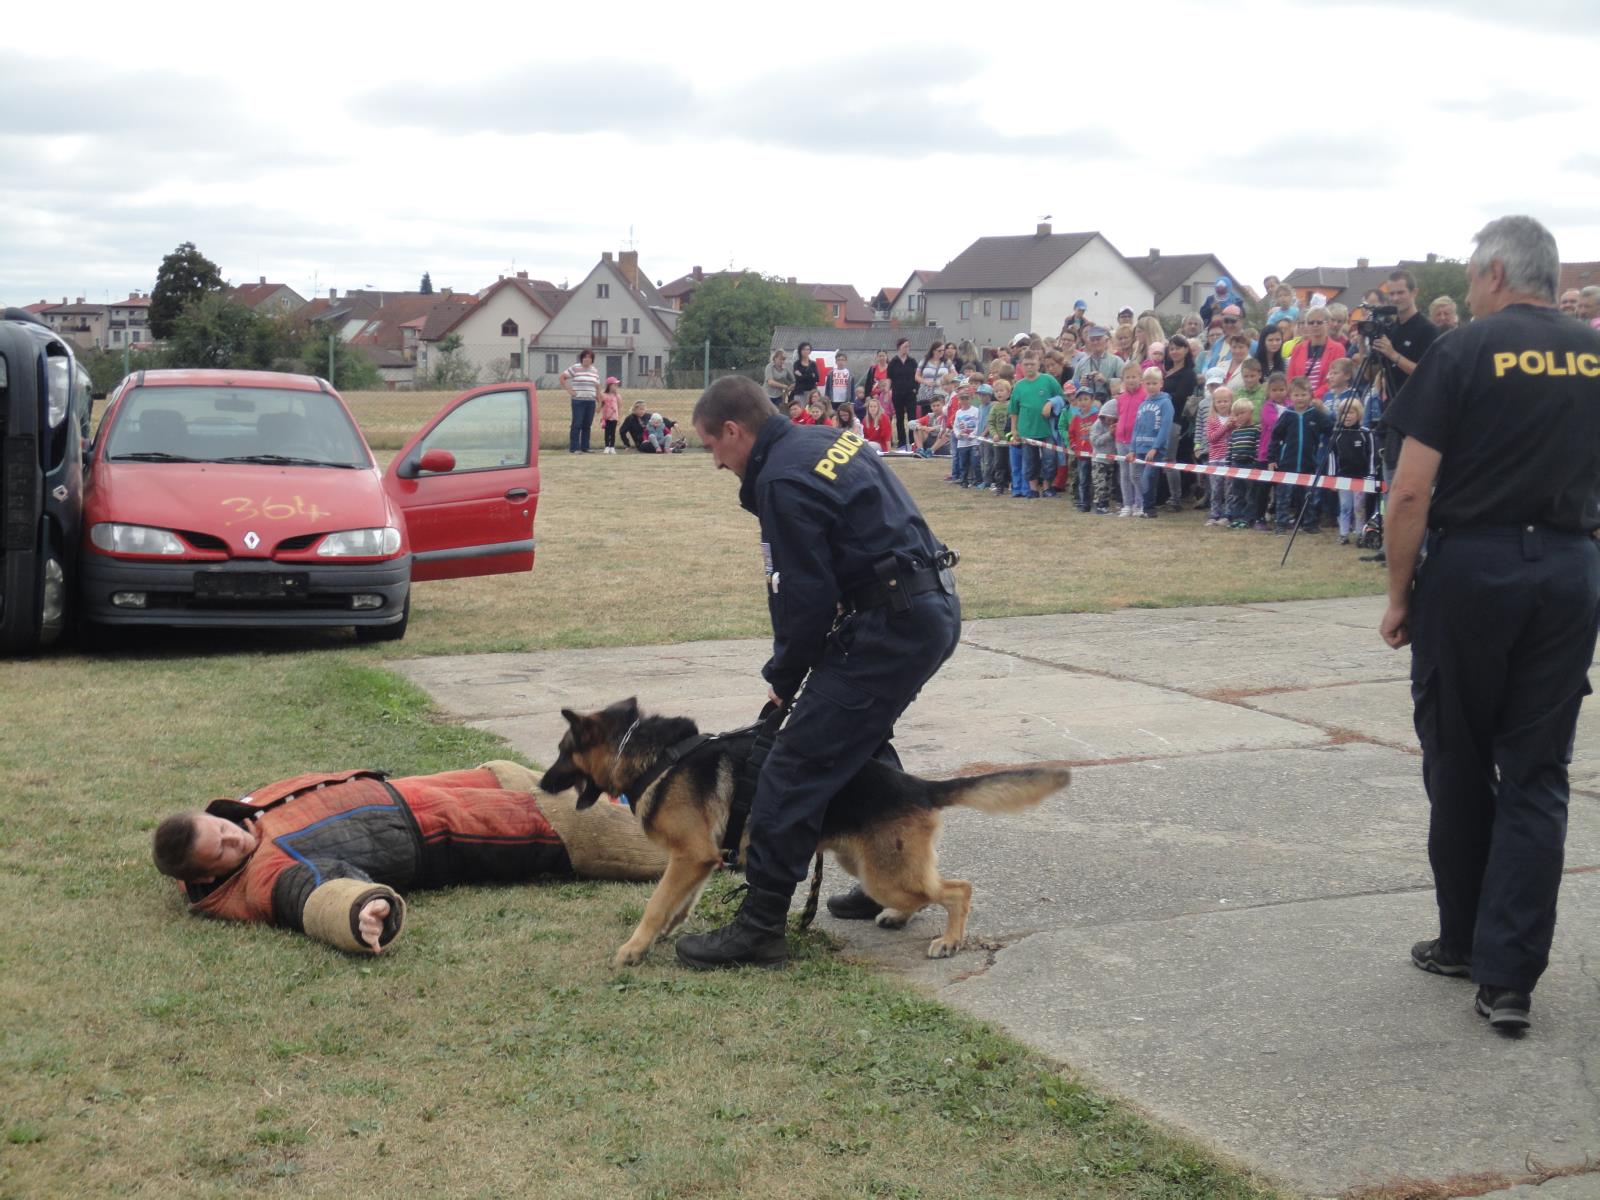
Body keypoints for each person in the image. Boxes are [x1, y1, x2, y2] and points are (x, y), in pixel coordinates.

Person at [1380, 215, 1600, 1034]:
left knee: (1460, 756)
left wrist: (1401, 595)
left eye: (1472, 275)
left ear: (1499, 273)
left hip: (1476, 568)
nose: (1468, 289)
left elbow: (1410, 491)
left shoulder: (1467, 349)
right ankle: (1510, 979)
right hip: (1570, 568)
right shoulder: (1593, 349)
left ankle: (1464, 941)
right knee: (1539, 775)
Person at [678, 377, 961, 969]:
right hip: (924, 607)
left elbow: (802, 598)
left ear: (734, 431)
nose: (716, 463)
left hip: (891, 626)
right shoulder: (825, 439)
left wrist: (784, 676)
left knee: (794, 765)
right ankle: (887, 865)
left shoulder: (781, 479)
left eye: (712, 448)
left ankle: (760, 929)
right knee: (857, 738)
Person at [151, 762, 667, 953]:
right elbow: (311, 894)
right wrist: (360, 913)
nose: (233, 839)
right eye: (220, 850)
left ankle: (642, 795)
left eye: (222, 829)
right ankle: (723, 846)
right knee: (576, 825)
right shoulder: (262, 876)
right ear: (207, 874)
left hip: (427, 789)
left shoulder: (243, 814)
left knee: (522, 775)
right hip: (442, 832)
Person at [1267, 376, 1332, 533]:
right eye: (1296, 395)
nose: (1300, 398)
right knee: (1284, 495)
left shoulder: (1316, 414)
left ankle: (1309, 523)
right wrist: (1272, 459)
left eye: (1303, 394)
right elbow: (1275, 437)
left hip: (1309, 462)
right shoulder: (1287, 415)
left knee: (1308, 495)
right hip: (1287, 463)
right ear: (1290, 396)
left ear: (1310, 395)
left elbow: (1330, 429)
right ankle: (1281, 523)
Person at [1008, 352, 1064, 499]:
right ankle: (1033, 488)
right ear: (1021, 366)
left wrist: (1050, 403)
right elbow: (1014, 410)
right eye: (1026, 364)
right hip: (1026, 430)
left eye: (1032, 364)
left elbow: (1062, 398)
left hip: (1047, 429)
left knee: (1049, 459)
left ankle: (1047, 487)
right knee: (1029, 460)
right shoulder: (1019, 386)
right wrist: (1014, 430)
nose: (1029, 367)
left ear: (1039, 364)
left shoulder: (1049, 380)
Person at [1130, 367, 1173, 518]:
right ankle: (1144, 506)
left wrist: (1155, 447)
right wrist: (1132, 448)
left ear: (1161, 383)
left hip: (1154, 449)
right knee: (1139, 478)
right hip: (1140, 447)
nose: (1151, 386)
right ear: (1143, 384)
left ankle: (1150, 508)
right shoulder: (1143, 404)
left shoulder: (1166, 403)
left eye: (1154, 383)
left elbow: (1165, 428)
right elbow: (1137, 427)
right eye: (1148, 383)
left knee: (1149, 477)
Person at [1287, 306, 1347, 399]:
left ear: (1328, 324)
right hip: (1299, 401)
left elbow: (1335, 380)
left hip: (1324, 401)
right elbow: (1291, 377)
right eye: (1311, 322)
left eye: (1319, 322)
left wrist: (1312, 397)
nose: (1315, 325)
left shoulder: (1338, 349)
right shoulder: (1297, 349)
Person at [560, 349, 600, 454]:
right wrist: (569, 390)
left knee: (587, 425)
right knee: (577, 424)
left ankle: (585, 447)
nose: (587, 359)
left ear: (592, 359)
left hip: (590, 401)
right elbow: (562, 377)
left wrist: (599, 401)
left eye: (589, 357)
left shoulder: (595, 371)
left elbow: (597, 387)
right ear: (581, 358)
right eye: (585, 357)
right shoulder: (575, 368)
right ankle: (574, 448)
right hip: (578, 401)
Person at [886, 337, 919, 448]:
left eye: (908, 346)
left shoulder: (912, 361)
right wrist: (887, 391)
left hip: (910, 393)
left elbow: (917, 376)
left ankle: (913, 441)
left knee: (912, 417)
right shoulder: (893, 363)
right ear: (899, 347)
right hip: (897, 393)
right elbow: (889, 378)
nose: (907, 348)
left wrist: (916, 389)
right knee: (899, 418)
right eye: (905, 346)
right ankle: (902, 442)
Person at [598, 377, 622, 454]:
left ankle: (612, 446)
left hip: (614, 417)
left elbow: (619, 407)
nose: (616, 386)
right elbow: (600, 405)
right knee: (607, 432)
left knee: (613, 432)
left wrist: (619, 418)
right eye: (614, 385)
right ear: (609, 386)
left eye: (617, 385)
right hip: (606, 417)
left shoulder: (617, 396)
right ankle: (607, 446)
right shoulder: (604, 395)